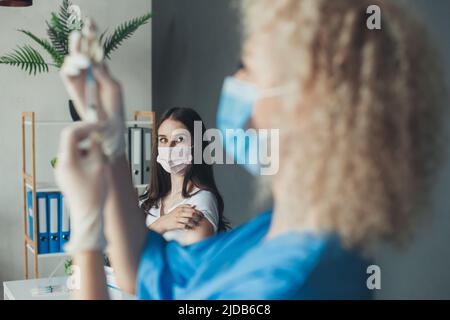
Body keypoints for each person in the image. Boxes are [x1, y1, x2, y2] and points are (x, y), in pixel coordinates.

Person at [56, 0, 446, 299]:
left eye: (249, 68)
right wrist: (111, 145)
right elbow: (146, 269)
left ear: (309, 109)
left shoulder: (294, 284)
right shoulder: (274, 236)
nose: (233, 81)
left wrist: (87, 235)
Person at [139, 107, 229, 245]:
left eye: (179, 139)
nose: (169, 147)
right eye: (163, 140)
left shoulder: (200, 202)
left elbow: (193, 263)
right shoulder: (151, 195)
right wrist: (161, 224)